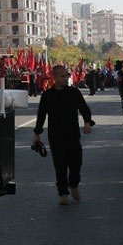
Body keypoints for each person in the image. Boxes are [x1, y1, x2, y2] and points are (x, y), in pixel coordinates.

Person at [32, 65, 95, 205]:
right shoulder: (47, 95)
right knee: (60, 167)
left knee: (76, 165)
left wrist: (87, 122)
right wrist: (37, 134)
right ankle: (63, 192)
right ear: (54, 77)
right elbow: (41, 115)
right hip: (56, 136)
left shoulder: (74, 93)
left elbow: (84, 109)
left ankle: (73, 185)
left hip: (73, 135)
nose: (65, 78)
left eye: (66, 76)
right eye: (62, 76)